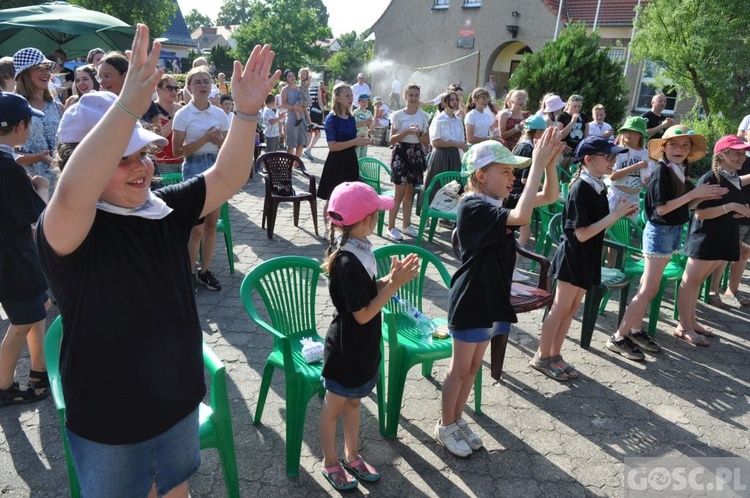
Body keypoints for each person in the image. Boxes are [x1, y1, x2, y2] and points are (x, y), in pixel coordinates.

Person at [35, 25, 279, 497]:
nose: (143, 166)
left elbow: (228, 175)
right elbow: (73, 190)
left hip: (176, 401)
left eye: (144, 152)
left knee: (173, 488)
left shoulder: (163, 208)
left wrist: (246, 112)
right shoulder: (69, 227)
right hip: (110, 417)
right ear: (82, 159)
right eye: (124, 158)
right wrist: (126, 107)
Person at [438, 129, 564, 457]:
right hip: (470, 298)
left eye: (514, 171)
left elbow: (549, 197)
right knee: (459, 369)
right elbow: (522, 216)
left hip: (491, 297)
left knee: (474, 367)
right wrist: (535, 163)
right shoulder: (473, 207)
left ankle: (457, 419)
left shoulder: (496, 202)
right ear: (481, 176)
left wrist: (548, 164)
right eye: (506, 171)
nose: (513, 178)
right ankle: (445, 424)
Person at [318, 181, 419, 491]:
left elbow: (366, 293)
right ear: (364, 220)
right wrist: (394, 286)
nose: (378, 220)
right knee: (333, 407)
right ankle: (330, 462)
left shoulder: (357, 250)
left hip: (361, 347)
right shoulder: (347, 262)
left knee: (354, 404)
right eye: (376, 215)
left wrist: (390, 278)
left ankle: (352, 455)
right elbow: (362, 313)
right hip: (345, 350)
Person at [609, 125, 726, 356]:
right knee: (649, 289)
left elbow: (685, 204)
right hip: (660, 232)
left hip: (671, 231)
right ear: (663, 147)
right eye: (673, 143)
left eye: (685, 145)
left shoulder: (680, 170)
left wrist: (701, 197)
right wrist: (694, 194)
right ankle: (619, 337)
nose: (679, 148)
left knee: (648, 287)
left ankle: (636, 328)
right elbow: (661, 210)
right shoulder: (662, 171)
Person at [534, 136, 637, 380]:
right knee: (560, 309)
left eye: (614, 156)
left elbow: (594, 226)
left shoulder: (598, 185)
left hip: (588, 257)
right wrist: (614, 216)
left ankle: (555, 354)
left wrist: (619, 213)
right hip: (574, 256)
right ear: (589, 160)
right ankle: (541, 356)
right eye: (608, 156)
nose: (613, 160)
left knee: (571, 310)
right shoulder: (581, 187)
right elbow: (580, 234)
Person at [0, 92, 51, 407]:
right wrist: (41, 189)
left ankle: (39, 369)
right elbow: (37, 215)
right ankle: (4, 386)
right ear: (21, 125)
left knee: (38, 308)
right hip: (13, 256)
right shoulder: (7, 166)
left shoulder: (7, 162)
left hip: (11, 254)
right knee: (21, 321)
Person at [675, 136, 750, 342]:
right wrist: (732, 207)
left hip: (723, 237)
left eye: (743, 153)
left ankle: (691, 322)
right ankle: (683, 326)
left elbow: (731, 204)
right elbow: (700, 214)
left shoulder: (733, 177)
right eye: (736, 152)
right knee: (690, 282)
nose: (741, 157)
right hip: (706, 239)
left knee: (698, 282)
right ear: (722, 155)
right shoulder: (711, 178)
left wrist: (742, 210)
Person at [173, 66, 230, 292]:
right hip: (194, 168)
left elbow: (226, 147)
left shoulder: (219, 114)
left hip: (215, 166)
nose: (202, 86)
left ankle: (205, 271)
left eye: (206, 81)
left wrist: (217, 142)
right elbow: (178, 151)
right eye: (197, 82)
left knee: (211, 224)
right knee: (195, 228)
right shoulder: (183, 114)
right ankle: (189, 272)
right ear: (189, 87)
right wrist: (205, 138)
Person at [13, 47, 63, 190]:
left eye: (48, 68)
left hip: (61, 186)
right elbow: (7, 154)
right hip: (29, 186)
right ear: (24, 74)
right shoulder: (14, 109)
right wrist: (38, 157)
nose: (46, 73)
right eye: (40, 68)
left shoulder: (58, 108)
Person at [317, 83, 370, 218]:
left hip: (350, 161)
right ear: (338, 98)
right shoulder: (331, 119)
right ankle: (329, 229)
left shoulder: (351, 118)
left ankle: (346, 228)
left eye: (352, 95)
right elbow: (332, 146)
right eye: (347, 95)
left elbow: (352, 140)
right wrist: (354, 141)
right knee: (332, 198)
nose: (351, 98)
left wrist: (361, 140)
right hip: (336, 163)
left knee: (349, 197)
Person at [386, 83, 430, 241]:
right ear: (405, 97)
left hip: (416, 153)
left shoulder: (424, 116)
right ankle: (390, 227)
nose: (413, 98)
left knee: (410, 193)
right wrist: (407, 131)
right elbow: (391, 140)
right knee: (398, 193)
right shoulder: (398, 115)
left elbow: (427, 141)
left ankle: (406, 225)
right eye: (410, 95)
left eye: (416, 95)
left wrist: (418, 133)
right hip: (401, 152)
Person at [510, 115, 549, 262]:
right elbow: (525, 179)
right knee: (524, 234)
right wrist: (540, 185)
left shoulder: (521, 144)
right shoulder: (528, 148)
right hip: (519, 195)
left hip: (514, 193)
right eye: (543, 132)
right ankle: (511, 267)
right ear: (538, 132)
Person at [420, 91, 467, 208]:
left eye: (456, 99)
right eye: (452, 100)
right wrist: (454, 143)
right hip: (441, 155)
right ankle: (428, 210)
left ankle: (446, 214)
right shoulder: (439, 119)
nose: (455, 102)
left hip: (455, 155)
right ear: (444, 103)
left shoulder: (458, 121)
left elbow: (461, 141)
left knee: (453, 185)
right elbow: (435, 141)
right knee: (436, 184)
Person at [607, 116, 653, 220]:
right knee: (610, 228)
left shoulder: (646, 154)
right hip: (616, 195)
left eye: (632, 131)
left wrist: (647, 183)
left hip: (634, 198)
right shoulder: (618, 150)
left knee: (626, 230)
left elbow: (647, 181)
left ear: (640, 134)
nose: (628, 134)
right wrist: (636, 166)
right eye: (626, 130)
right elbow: (612, 176)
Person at [149, 74, 184, 175]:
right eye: (169, 88)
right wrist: (175, 118)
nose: (173, 91)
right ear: (158, 90)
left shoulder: (182, 109)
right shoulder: (150, 110)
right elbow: (156, 139)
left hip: (183, 161)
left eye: (176, 88)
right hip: (161, 163)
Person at [280, 69, 308, 158]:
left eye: (293, 75)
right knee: (291, 143)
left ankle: (296, 163)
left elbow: (305, 100)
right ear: (286, 79)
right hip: (292, 118)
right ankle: (288, 164)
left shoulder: (300, 88)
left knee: (301, 141)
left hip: (302, 116)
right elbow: (283, 104)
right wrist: (294, 108)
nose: (292, 77)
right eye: (289, 76)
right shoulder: (285, 89)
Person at [555, 94, 587, 170]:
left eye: (579, 106)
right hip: (565, 151)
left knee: (573, 176)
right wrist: (572, 122)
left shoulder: (584, 117)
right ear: (568, 105)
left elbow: (586, 136)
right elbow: (560, 135)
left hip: (578, 151)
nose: (577, 109)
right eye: (574, 106)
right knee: (563, 174)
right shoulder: (562, 116)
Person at [303, 74, 325, 160]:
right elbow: (320, 102)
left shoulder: (308, 89)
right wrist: (323, 113)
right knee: (318, 133)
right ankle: (308, 149)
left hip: (309, 111)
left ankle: (307, 150)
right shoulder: (317, 89)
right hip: (317, 111)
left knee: (310, 131)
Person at [352, 94, 373, 159]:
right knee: (356, 157)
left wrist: (371, 135)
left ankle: (361, 169)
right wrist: (365, 122)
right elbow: (354, 125)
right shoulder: (356, 112)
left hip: (365, 137)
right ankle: (356, 169)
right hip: (357, 136)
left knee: (363, 157)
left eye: (366, 102)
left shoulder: (369, 113)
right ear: (359, 102)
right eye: (363, 102)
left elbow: (370, 127)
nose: (365, 103)